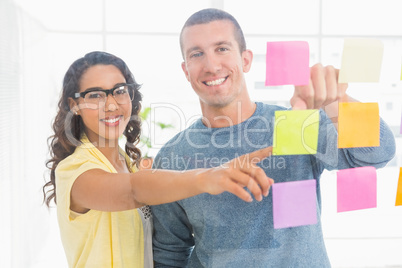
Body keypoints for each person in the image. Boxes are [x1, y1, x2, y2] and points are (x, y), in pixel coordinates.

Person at [150, 8, 396, 267]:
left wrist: (336, 101)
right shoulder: (173, 157)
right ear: (186, 70)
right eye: (197, 54)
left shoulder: (297, 125)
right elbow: (170, 253)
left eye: (222, 48)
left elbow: (377, 155)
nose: (211, 66)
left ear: (245, 60)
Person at [42, 51, 275, 268]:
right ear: (76, 106)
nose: (111, 104)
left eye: (120, 90)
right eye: (95, 95)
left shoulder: (127, 164)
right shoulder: (74, 170)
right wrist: (208, 177)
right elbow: (133, 191)